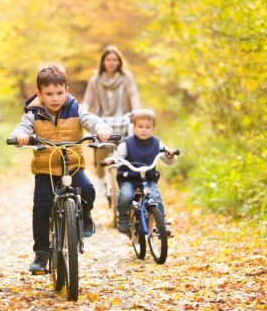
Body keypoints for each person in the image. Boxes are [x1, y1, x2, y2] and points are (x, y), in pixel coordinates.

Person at [11, 64, 112, 274]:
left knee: (88, 190)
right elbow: (22, 128)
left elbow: (90, 120)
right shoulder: (33, 113)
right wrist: (21, 136)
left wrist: (100, 128)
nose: (55, 98)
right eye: (49, 94)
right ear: (40, 95)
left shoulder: (75, 108)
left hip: (72, 165)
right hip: (45, 168)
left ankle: (85, 214)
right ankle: (41, 253)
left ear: (66, 91)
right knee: (41, 207)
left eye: (59, 93)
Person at [103, 109, 176, 235]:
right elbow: (118, 156)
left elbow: (168, 159)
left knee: (156, 197)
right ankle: (123, 217)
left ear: (153, 129)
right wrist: (112, 160)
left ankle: (161, 224)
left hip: (148, 179)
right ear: (134, 128)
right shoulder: (127, 143)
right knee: (125, 195)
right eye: (140, 127)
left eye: (148, 127)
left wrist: (169, 155)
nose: (144, 130)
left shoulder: (157, 143)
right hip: (129, 178)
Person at [83, 46, 141, 195]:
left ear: (119, 62)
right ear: (103, 62)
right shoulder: (95, 80)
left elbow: (133, 96)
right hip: (102, 120)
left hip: (122, 119)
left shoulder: (126, 77)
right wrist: (81, 113)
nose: (111, 62)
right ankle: (100, 175)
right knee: (101, 148)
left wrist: (137, 113)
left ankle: (129, 178)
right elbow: (87, 101)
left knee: (127, 149)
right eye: (108, 59)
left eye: (114, 59)